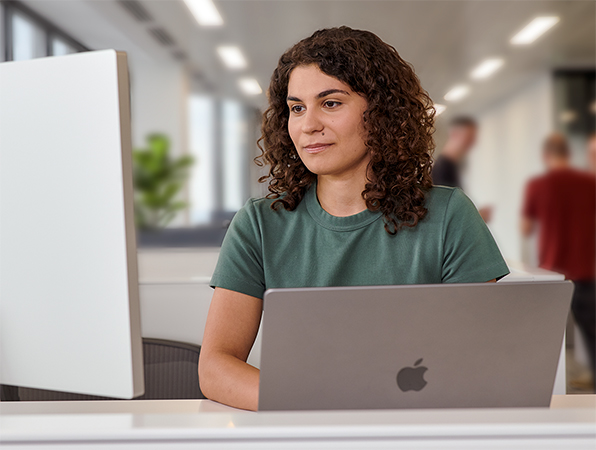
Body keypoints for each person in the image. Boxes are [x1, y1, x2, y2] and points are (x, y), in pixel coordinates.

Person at [199, 27, 509, 411]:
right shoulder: (260, 223)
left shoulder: (449, 216)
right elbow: (216, 367)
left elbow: (481, 361)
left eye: (330, 103)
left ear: (380, 112)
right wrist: (319, 407)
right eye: (297, 107)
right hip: (302, 430)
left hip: (417, 429)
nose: (308, 124)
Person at [521, 133, 596, 389]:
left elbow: (525, 228)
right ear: (568, 154)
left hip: (552, 272)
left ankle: (547, 385)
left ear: (545, 156)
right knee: (592, 332)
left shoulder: (537, 185)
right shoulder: (589, 182)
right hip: (585, 268)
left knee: (548, 335)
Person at [432, 117, 492, 222]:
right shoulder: (443, 169)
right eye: (469, 137)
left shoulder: (451, 167)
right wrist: (478, 217)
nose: (472, 143)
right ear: (454, 134)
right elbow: (450, 216)